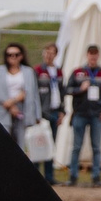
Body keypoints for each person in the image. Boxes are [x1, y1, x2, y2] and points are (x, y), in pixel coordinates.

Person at [65, 44, 101, 186]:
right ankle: (73, 176)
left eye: (95, 54)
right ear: (87, 55)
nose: (93, 57)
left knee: (96, 147)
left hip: (97, 115)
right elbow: (67, 89)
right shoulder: (77, 72)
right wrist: (80, 89)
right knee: (76, 146)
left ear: (98, 56)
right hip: (80, 114)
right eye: (90, 54)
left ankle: (96, 177)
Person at [0, 43, 37, 152]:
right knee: (2, 140)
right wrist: (11, 104)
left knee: (19, 143)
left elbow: (31, 93)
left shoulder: (28, 71)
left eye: (16, 54)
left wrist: (35, 115)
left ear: (21, 56)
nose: (13, 57)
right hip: (2, 108)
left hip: (21, 109)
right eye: (9, 54)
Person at [36, 42, 66, 182]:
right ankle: (35, 176)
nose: (49, 55)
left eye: (52, 52)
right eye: (46, 52)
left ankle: (49, 177)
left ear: (56, 54)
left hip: (55, 111)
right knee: (38, 143)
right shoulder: (38, 70)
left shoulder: (59, 71)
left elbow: (62, 91)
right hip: (42, 112)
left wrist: (62, 111)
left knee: (51, 145)